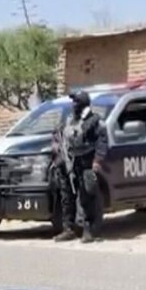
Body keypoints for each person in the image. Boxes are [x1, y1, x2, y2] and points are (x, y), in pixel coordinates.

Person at [52, 91, 108, 243]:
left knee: (87, 196)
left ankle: (89, 230)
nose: (73, 105)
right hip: (70, 162)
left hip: (86, 161)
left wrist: (96, 162)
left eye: (76, 102)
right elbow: (61, 138)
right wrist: (59, 154)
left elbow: (102, 143)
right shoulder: (70, 120)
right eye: (73, 102)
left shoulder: (94, 121)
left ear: (83, 104)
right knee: (66, 196)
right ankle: (68, 228)